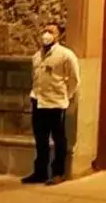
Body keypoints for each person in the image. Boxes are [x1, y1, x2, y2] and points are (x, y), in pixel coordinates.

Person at [25, 23, 80, 185]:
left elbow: (74, 79)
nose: (46, 34)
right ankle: (40, 172)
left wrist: (65, 96)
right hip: (38, 101)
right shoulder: (37, 56)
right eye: (45, 31)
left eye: (51, 31)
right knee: (40, 139)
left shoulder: (66, 55)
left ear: (58, 36)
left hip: (55, 103)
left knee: (59, 139)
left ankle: (58, 173)